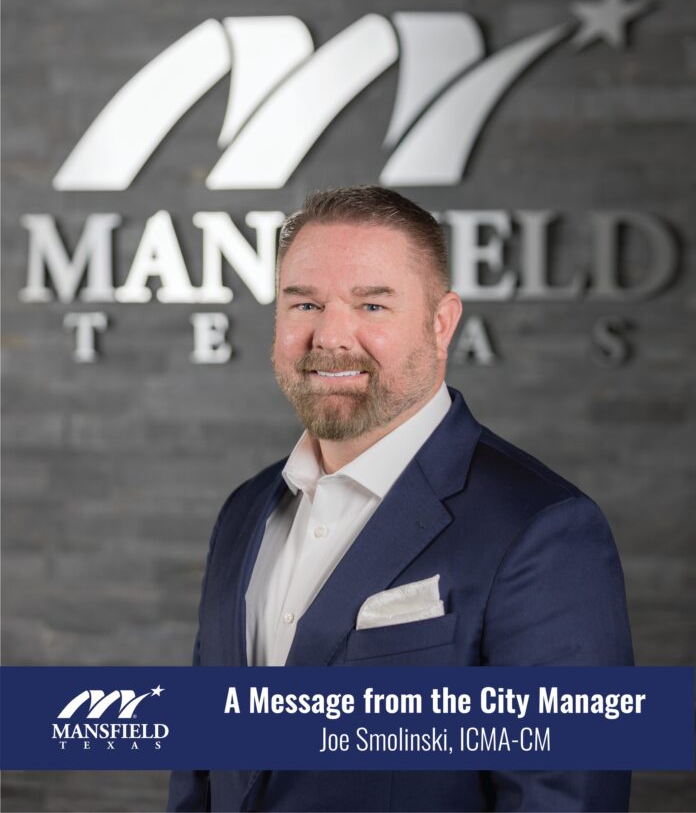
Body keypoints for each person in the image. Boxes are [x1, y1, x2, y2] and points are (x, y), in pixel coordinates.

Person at [168, 186, 633, 812]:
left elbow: (565, 798)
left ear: (441, 324)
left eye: (373, 305)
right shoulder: (244, 512)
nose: (331, 336)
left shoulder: (543, 531)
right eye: (304, 302)